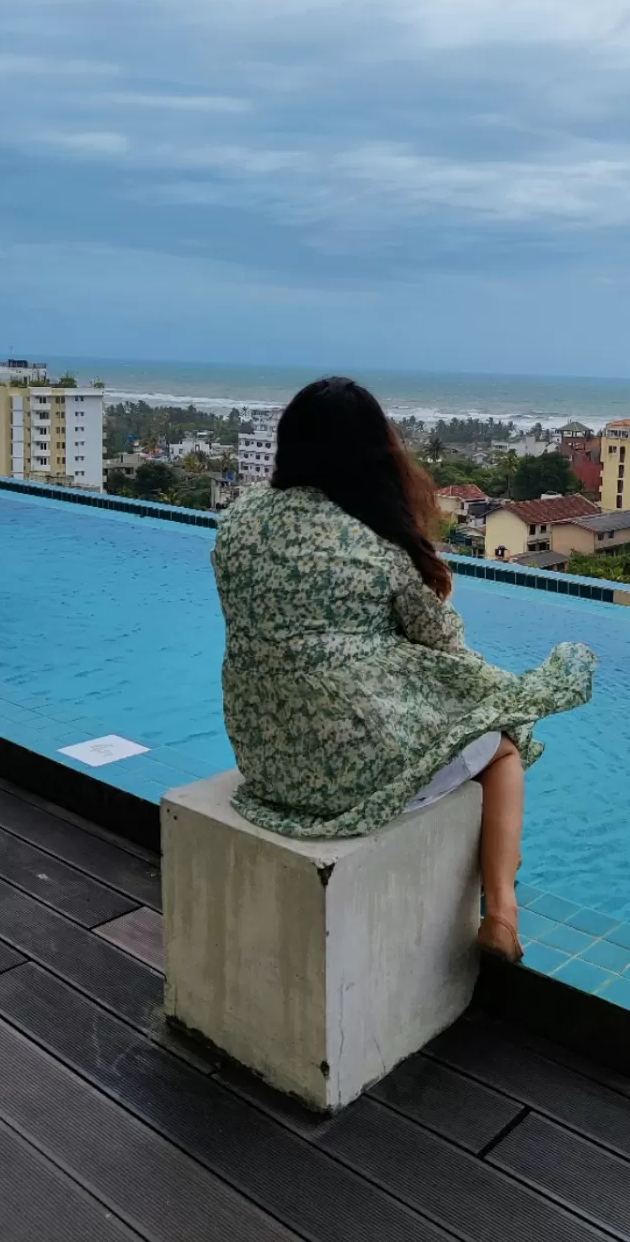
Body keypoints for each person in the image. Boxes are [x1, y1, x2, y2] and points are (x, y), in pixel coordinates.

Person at [212, 377, 595, 961]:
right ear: (375, 454)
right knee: (502, 743)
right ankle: (503, 915)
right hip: (349, 777)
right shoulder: (380, 543)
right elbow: (444, 646)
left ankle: (502, 913)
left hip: (264, 762)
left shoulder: (238, 521)